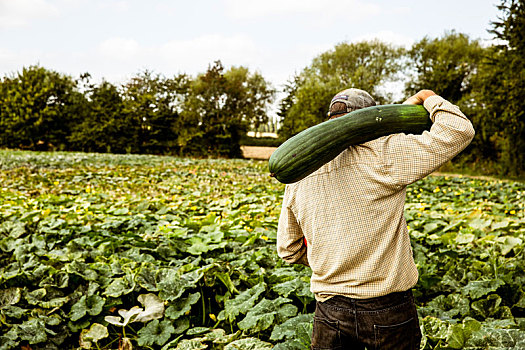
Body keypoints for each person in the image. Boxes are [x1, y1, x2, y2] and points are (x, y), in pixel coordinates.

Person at [276, 88, 475, 349]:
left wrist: (332, 260)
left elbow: (289, 250)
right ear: (370, 119)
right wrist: (428, 97)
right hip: (387, 312)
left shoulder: (300, 174)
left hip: (329, 313)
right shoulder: (385, 154)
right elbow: (459, 129)